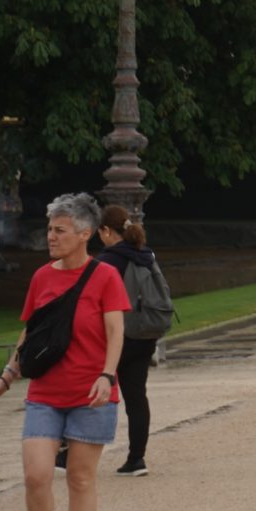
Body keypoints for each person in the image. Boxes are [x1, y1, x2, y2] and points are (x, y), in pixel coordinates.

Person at [0, 193, 128, 511]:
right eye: (49, 229)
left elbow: (116, 333)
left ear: (85, 233)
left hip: (91, 392)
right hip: (45, 392)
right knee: (36, 474)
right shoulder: (43, 277)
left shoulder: (106, 276)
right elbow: (30, 334)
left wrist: (106, 376)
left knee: (79, 478)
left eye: (59, 230)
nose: (51, 236)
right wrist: (6, 378)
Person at [94, 205, 166, 479]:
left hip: (119, 336)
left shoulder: (108, 261)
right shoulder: (146, 255)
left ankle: (70, 450)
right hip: (145, 334)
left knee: (93, 387)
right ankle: (137, 458)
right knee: (137, 397)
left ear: (105, 231)